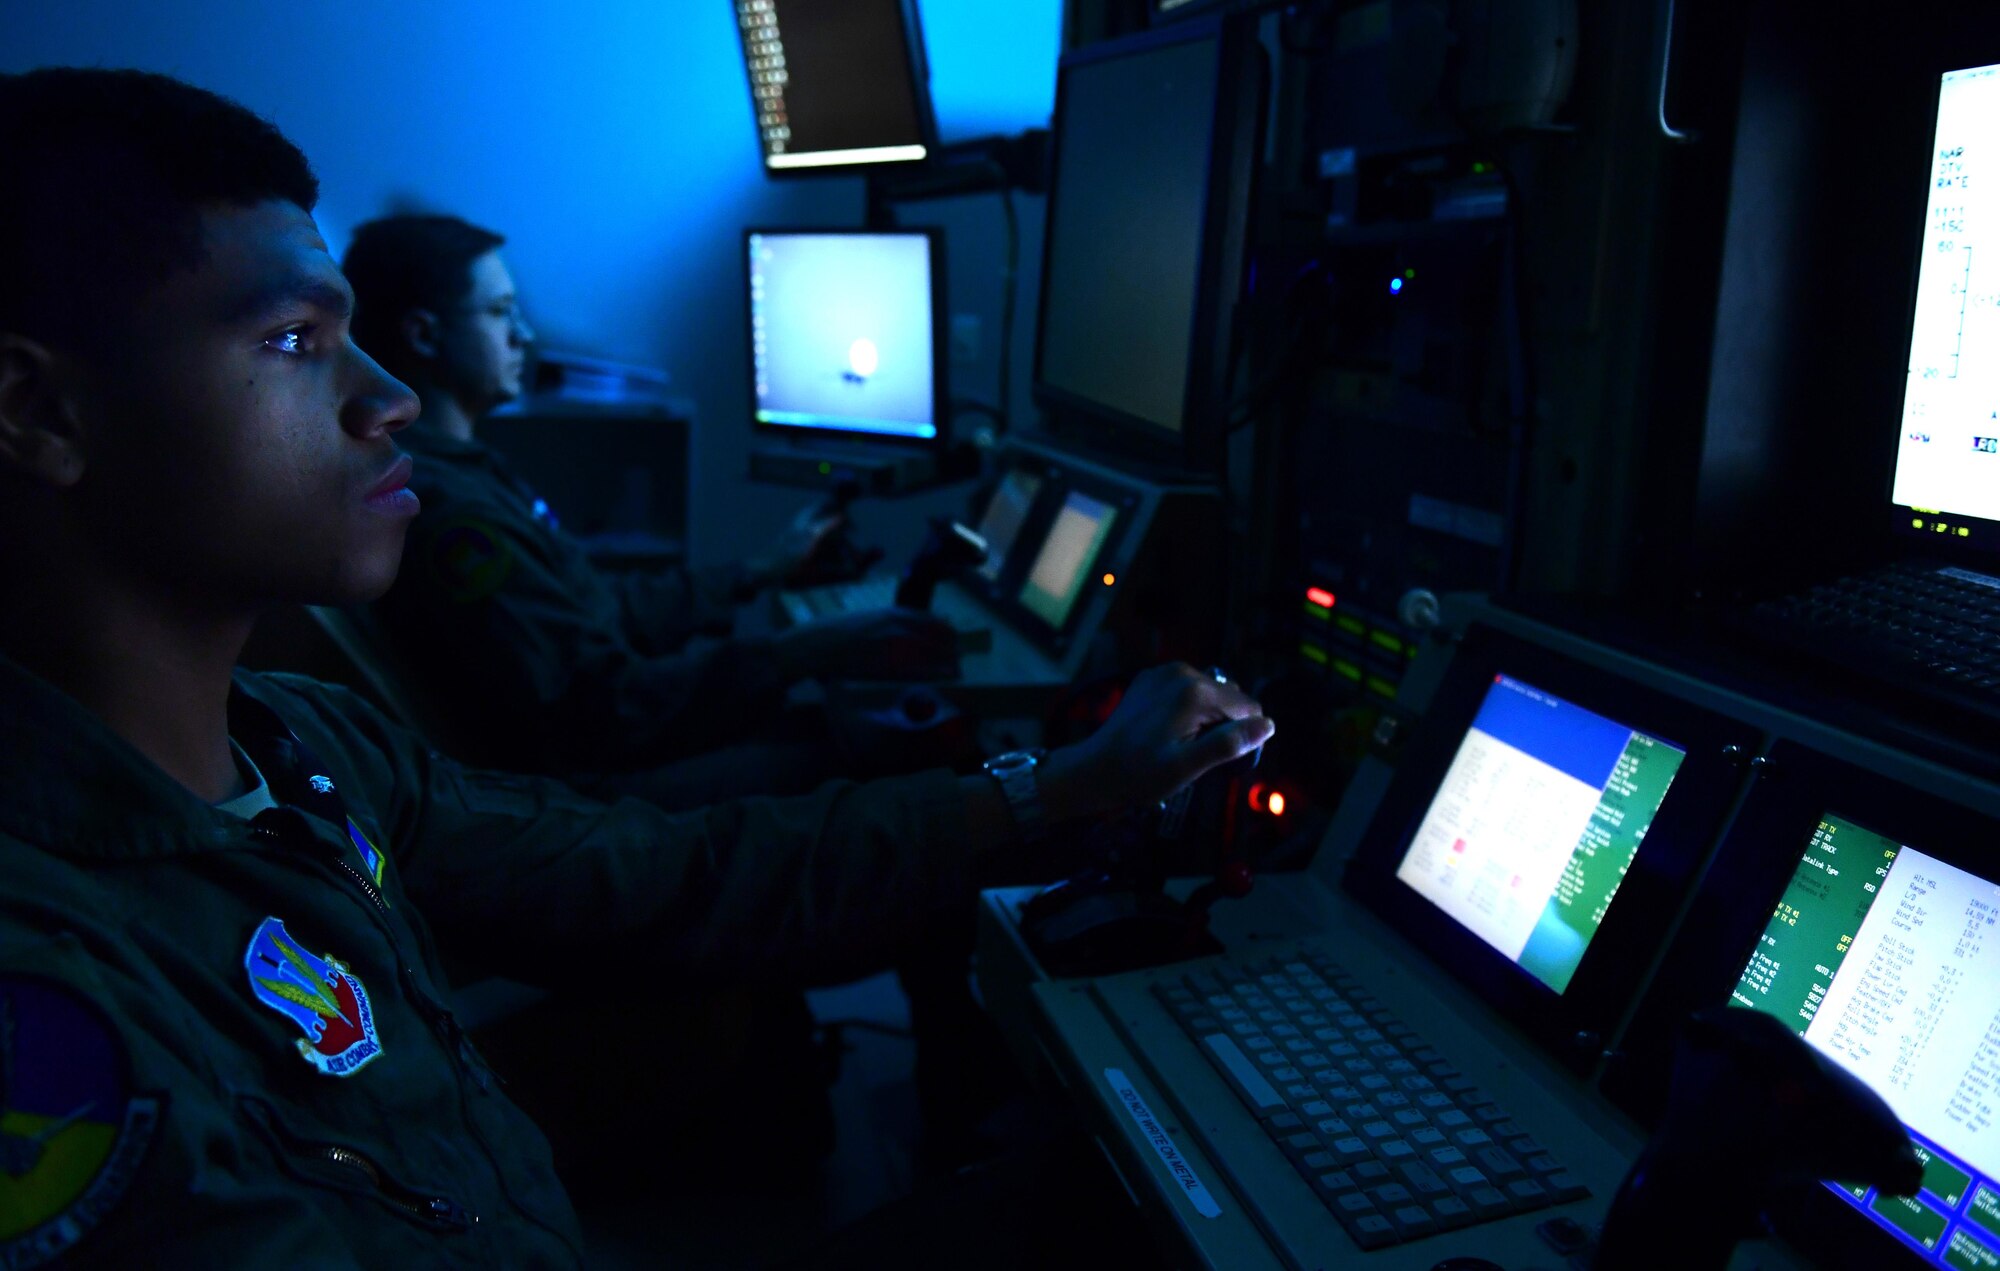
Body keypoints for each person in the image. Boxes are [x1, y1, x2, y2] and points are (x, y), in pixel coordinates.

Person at [0, 66, 1274, 1266]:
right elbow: (601, 719)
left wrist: (1053, 792)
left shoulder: (304, 743)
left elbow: (661, 871)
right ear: (40, 414)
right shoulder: (48, 997)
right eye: (291, 338)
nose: (384, 396)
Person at [342, 213, 954, 793]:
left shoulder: (466, 467)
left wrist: (759, 571)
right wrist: (800, 651)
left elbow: (603, 609)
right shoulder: (454, 517)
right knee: (877, 757)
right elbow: (599, 714)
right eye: (501, 312)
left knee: (851, 729)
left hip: (610, 746)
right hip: (591, 795)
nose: (523, 335)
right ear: (424, 332)